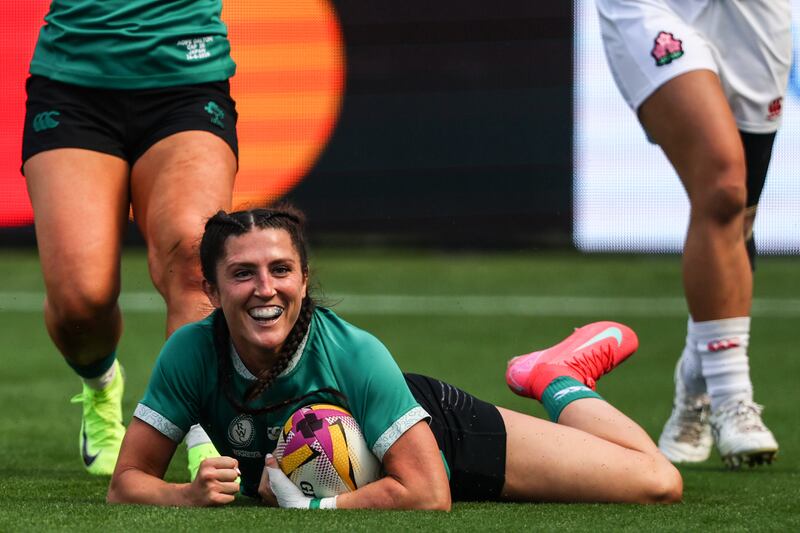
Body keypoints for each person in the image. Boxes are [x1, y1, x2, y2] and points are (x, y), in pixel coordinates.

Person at [106, 205, 682, 508]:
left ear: (304, 280)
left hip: (442, 440)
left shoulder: (354, 353)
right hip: (372, 475)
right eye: (242, 274)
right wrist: (185, 495)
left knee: (656, 481)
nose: (265, 289)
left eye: (282, 270)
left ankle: (559, 376)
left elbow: (429, 495)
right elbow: (127, 480)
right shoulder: (190, 353)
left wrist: (311, 516)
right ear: (210, 291)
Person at [21, 0, 238, 476]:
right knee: (82, 301)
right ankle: (100, 386)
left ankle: (204, 426)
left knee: (195, 257)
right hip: (73, 84)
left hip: (188, 77)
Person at [594, 0, 789, 467]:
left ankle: (694, 386)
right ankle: (733, 397)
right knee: (723, 186)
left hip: (755, 14)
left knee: (739, 217)